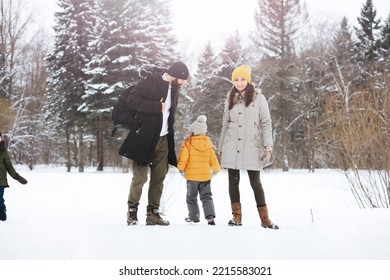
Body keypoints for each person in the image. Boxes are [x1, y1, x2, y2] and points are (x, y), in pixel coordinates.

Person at [119, 61, 189, 226]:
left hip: (163, 139)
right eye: (182, 80)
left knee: (159, 178)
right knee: (140, 177)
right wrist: (156, 106)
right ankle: (132, 211)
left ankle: (153, 214)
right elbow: (132, 100)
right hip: (144, 138)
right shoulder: (150, 82)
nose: (183, 83)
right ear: (173, 75)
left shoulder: (174, 90)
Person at [218, 65, 279, 229]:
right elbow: (225, 124)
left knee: (256, 183)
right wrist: (220, 145)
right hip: (231, 144)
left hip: (251, 144)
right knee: (233, 181)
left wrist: (268, 146)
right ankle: (236, 217)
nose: (239, 83)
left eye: (242, 79)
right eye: (236, 80)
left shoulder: (259, 98)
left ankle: (265, 219)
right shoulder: (229, 98)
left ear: (248, 80)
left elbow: (266, 122)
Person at [177, 115, 221, 225]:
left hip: (192, 177)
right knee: (206, 197)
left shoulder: (188, 143)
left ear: (194, 132)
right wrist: (216, 170)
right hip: (205, 177)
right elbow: (213, 159)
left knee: (191, 198)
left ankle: (194, 217)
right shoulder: (208, 143)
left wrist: (181, 169)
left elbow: (183, 158)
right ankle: (210, 217)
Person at [0, 131, 28, 221]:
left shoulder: (4, 151)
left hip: (0, 180)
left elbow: (9, 166)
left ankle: (2, 214)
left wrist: (16, 176)